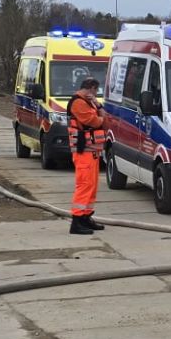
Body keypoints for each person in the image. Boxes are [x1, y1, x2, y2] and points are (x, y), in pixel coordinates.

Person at [66, 76, 108, 235]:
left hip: (93, 150)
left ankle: (86, 216)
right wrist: (101, 116)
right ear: (91, 88)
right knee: (84, 185)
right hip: (84, 151)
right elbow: (95, 121)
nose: (96, 94)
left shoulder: (90, 102)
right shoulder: (78, 102)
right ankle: (76, 221)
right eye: (96, 91)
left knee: (92, 185)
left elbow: (104, 119)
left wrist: (98, 106)